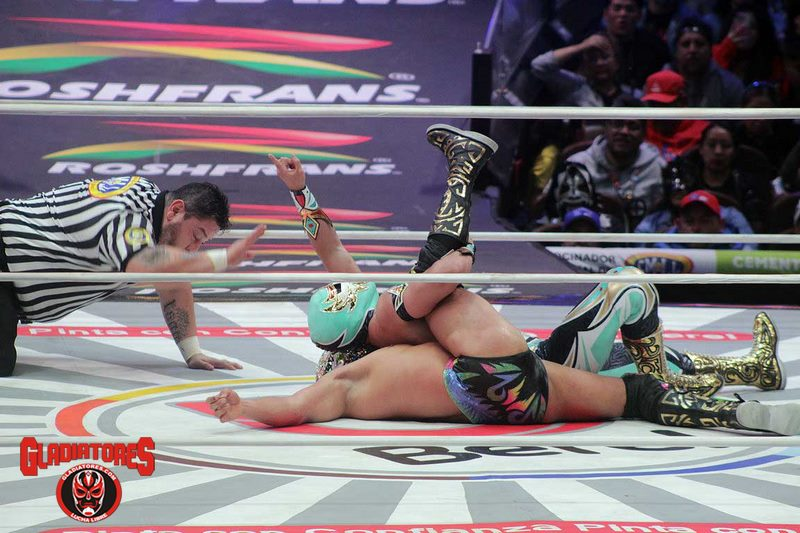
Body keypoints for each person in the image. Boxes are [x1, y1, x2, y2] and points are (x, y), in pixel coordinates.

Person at [272, 126, 782, 397]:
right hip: (535, 370)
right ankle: (663, 388)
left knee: (627, 356)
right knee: (626, 285)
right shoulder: (391, 320)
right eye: (342, 292)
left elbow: (331, 251)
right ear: (353, 313)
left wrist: (300, 192)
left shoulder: (357, 340)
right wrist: (461, 259)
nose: (347, 283)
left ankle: (748, 369)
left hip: (527, 358)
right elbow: (442, 265)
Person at [207, 271, 796, 435]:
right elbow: (444, 268)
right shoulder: (410, 320)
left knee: (632, 381)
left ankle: (737, 395)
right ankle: (463, 170)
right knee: (629, 291)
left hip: (490, 398)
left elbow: (297, 407)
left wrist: (246, 407)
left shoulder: (349, 372)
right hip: (503, 369)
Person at [0, 177, 265, 376]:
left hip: (12, 286)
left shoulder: (152, 213)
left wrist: (192, 352)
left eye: (202, 243)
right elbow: (141, 265)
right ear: (175, 210)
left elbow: (173, 280)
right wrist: (220, 259)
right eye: (196, 235)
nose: (194, 249)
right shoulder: (128, 212)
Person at [567, 98, 666, 230]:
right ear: (605, 128)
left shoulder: (658, 167)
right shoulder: (578, 165)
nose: (624, 132)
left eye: (633, 127)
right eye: (617, 124)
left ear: (644, 133)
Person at [670, 17, 745, 108]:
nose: (692, 50)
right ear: (676, 51)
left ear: (710, 50)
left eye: (699, 44)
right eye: (686, 44)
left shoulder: (730, 86)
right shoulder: (661, 82)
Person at [640, 70, 708, 162]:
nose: (657, 112)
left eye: (663, 105)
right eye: (653, 104)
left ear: (682, 101)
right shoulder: (641, 130)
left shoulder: (703, 134)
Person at [653, 189, 755, 250]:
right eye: (689, 222)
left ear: (720, 224)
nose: (696, 228)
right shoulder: (660, 250)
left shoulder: (736, 251)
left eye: (705, 221)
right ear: (678, 224)